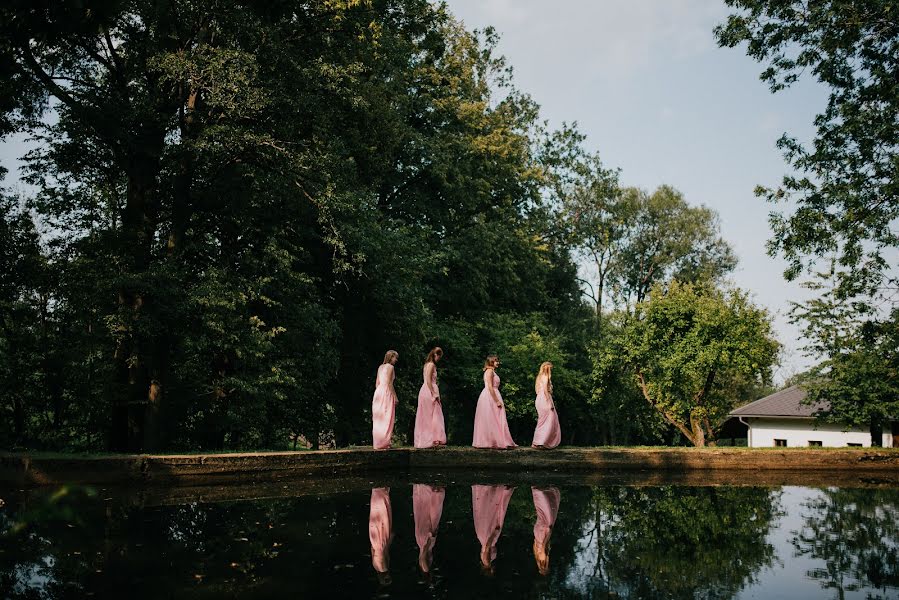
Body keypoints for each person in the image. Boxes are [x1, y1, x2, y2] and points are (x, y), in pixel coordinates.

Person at [472, 355, 517, 449]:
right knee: (492, 418)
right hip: (490, 396)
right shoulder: (489, 371)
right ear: (491, 362)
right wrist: (496, 401)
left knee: (496, 418)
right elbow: (489, 387)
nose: (498, 362)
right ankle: (490, 441)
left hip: (493, 394)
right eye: (496, 361)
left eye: (498, 361)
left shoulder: (492, 371)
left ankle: (497, 440)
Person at [472, 484, 515, 574]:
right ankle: (492, 492)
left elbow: (487, 547)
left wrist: (494, 534)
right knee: (489, 513)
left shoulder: (487, 562)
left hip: (488, 536)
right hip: (484, 536)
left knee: (494, 514)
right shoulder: (484, 561)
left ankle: (497, 492)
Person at [414, 347, 446, 448]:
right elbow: (428, 380)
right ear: (435, 355)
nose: (439, 359)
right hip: (429, 390)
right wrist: (434, 393)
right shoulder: (431, 365)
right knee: (434, 414)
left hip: (426, 389)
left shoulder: (426, 364)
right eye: (439, 357)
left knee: (427, 415)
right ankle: (433, 439)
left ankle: (431, 439)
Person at [413, 483, 446, 576]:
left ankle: (427, 492)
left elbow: (423, 555)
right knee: (424, 514)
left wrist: (428, 543)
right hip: (424, 541)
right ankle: (427, 491)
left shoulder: (425, 567)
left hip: (425, 540)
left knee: (426, 515)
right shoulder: (423, 565)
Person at [532, 486, 561, 576]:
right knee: (542, 512)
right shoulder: (536, 555)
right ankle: (537, 492)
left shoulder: (542, 557)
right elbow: (535, 543)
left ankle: (539, 492)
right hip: (537, 533)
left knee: (547, 512)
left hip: (542, 534)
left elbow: (544, 544)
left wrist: (549, 532)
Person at [372, 350, 398, 449]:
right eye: (395, 357)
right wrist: (395, 396)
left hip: (378, 392)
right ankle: (385, 442)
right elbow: (389, 383)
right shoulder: (391, 367)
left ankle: (378, 443)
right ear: (391, 357)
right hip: (387, 392)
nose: (396, 360)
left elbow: (377, 383)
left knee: (378, 418)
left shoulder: (380, 367)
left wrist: (379, 392)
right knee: (387, 416)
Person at [531, 361, 561, 449]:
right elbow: (545, 390)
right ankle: (542, 442)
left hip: (539, 399)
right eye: (550, 368)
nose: (551, 370)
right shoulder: (545, 377)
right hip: (545, 398)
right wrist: (550, 402)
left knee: (542, 421)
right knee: (549, 419)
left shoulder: (539, 377)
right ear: (547, 368)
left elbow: (537, 391)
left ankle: (537, 441)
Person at [369, 487, 393, 586]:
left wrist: (390, 539)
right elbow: (372, 550)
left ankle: (381, 494)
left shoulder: (384, 568)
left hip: (381, 542)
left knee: (383, 518)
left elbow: (384, 551)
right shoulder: (375, 567)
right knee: (376, 518)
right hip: (374, 542)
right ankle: (377, 494)